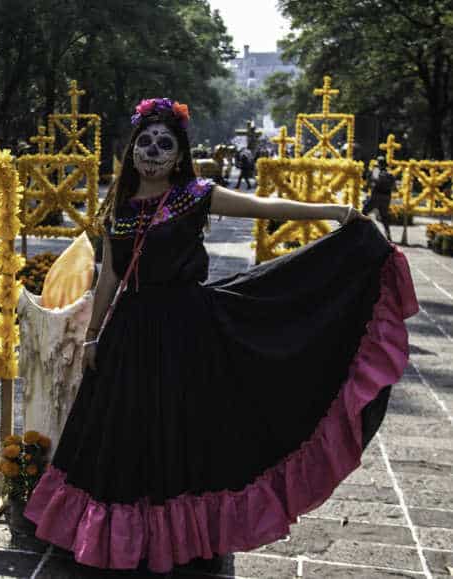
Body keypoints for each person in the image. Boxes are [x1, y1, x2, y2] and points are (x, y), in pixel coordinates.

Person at [24, 97, 418, 575]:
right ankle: (120, 537)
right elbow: (109, 280)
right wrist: (91, 338)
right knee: (126, 430)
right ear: (131, 151)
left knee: (181, 429)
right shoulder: (119, 211)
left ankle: (184, 535)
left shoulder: (195, 195)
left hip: (187, 330)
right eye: (144, 142)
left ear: (178, 153)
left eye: (163, 143)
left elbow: (264, 207)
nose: (152, 150)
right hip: (130, 334)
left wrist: (336, 211)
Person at [362, 156, 396, 241]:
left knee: (363, 212)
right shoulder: (390, 174)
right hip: (386, 198)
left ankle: (366, 231)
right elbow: (394, 187)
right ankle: (388, 235)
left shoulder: (376, 171)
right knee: (384, 218)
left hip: (376, 196)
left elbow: (369, 183)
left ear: (379, 164)